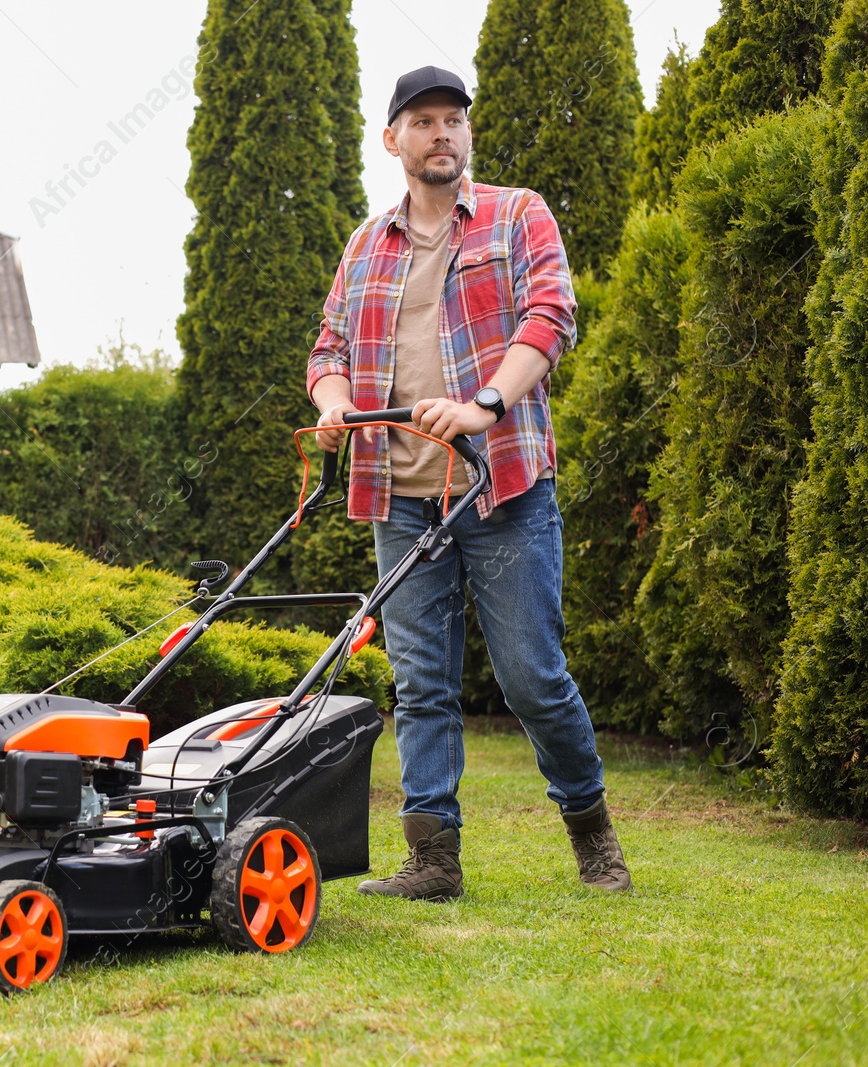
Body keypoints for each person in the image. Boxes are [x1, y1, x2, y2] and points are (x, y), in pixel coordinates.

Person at [307, 65, 631, 900]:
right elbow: (329, 349)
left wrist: (486, 402)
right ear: (392, 141)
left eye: (454, 119)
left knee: (531, 675)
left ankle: (593, 835)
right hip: (402, 498)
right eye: (423, 121)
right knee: (420, 683)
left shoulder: (518, 215)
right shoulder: (365, 245)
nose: (442, 133)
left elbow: (550, 316)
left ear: (468, 135)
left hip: (502, 488)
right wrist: (336, 403)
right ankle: (433, 859)